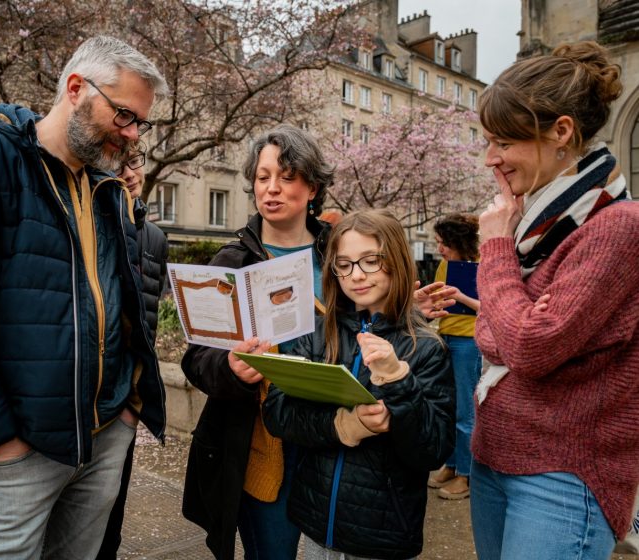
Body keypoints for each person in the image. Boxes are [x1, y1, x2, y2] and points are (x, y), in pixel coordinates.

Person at [0, 36, 169, 559]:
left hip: (103, 436)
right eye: (123, 116)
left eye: (140, 122)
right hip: (14, 455)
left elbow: (126, 298)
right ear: (76, 88)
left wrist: (129, 409)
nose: (132, 135)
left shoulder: (106, 185)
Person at [180, 124, 456, 559]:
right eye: (262, 177)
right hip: (266, 445)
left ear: (312, 186)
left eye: (286, 177)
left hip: (345, 444)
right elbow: (197, 358)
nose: (271, 189)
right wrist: (231, 369)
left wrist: (403, 308)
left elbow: (369, 320)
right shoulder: (233, 261)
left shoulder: (340, 250)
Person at [471, 40, 639, 559]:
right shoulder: (538, 227)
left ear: (561, 132)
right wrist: (516, 317)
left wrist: (495, 248)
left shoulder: (618, 227)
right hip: (494, 456)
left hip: (563, 477)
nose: (491, 158)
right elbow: (491, 333)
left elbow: (528, 346)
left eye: (503, 141)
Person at [262, 209, 455, 559]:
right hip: (316, 522)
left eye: (370, 261)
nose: (357, 275)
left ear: (395, 260)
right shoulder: (321, 333)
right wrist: (342, 425)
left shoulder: (424, 348)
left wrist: (398, 381)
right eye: (345, 264)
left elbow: (433, 449)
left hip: (381, 536)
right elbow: (277, 413)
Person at [98, 144, 169, 560]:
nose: (128, 171)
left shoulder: (154, 237)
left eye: (134, 160)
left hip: (122, 404)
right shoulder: (87, 220)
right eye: (116, 160)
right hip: (73, 405)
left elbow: (148, 320)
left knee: (110, 526)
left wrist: (131, 406)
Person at [427, 213, 481, 500]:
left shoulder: (484, 265)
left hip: (468, 342)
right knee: (448, 407)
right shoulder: (445, 266)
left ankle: (466, 475)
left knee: (465, 412)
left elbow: (489, 307)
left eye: (443, 243)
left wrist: (459, 296)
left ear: (456, 241)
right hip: (446, 337)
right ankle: (451, 463)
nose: (440, 249)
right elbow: (438, 299)